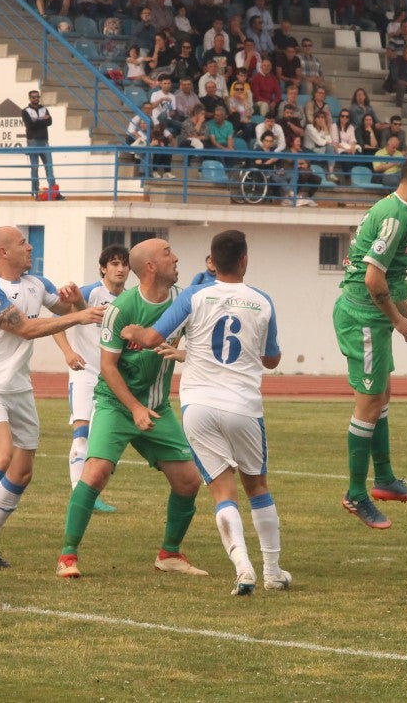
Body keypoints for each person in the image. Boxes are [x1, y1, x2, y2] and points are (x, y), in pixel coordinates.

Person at [121, 230, 290, 595]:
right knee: (257, 486)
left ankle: (243, 568)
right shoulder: (262, 301)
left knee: (221, 490)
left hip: (198, 406)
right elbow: (272, 359)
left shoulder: (196, 296)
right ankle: (273, 571)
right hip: (243, 406)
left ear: (212, 262)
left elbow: (151, 338)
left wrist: (132, 327)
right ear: (244, 260)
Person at [55, 238, 209, 580]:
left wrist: (181, 355)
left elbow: (195, 347)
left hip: (156, 407)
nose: (177, 256)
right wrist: (135, 407)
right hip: (116, 403)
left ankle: (169, 554)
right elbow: (108, 367)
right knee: (95, 473)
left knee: (188, 481)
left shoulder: (185, 301)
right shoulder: (121, 308)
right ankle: (67, 556)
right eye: (168, 252)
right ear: (151, 266)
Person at [0, 226, 104, 572]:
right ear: (3, 252)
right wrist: (75, 314)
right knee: (1, 456)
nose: (30, 246)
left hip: (19, 388)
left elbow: (68, 307)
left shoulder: (37, 283)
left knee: (22, 474)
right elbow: (25, 327)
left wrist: (74, 299)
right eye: (23, 242)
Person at [333, 150, 407, 529]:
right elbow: (372, 278)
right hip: (363, 317)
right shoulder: (396, 216)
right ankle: (355, 493)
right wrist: (397, 319)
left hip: (371, 317)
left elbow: (391, 278)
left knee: (381, 394)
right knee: (368, 403)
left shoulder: (399, 212)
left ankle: (383, 480)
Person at [51, 245, 130, 512]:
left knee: (102, 441)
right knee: (81, 436)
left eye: (124, 264)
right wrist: (68, 351)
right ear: (103, 268)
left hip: (113, 379)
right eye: (115, 264)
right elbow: (56, 320)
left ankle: (91, 493)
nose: (120, 269)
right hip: (85, 375)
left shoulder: (130, 299)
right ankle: (79, 495)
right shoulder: (89, 293)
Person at [21, 89, 57, 200]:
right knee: (35, 168)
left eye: (37, 97)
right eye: (33, 97)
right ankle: (36, 192)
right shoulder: (25, 111)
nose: (36, 99)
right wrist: (42, 120)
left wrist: (36, 120)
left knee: (49, 167)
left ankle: (54, 192)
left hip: (44, 141)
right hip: (33, 142)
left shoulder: (44, 109)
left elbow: (50, 122)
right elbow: (30, 125)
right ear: (29, 98)